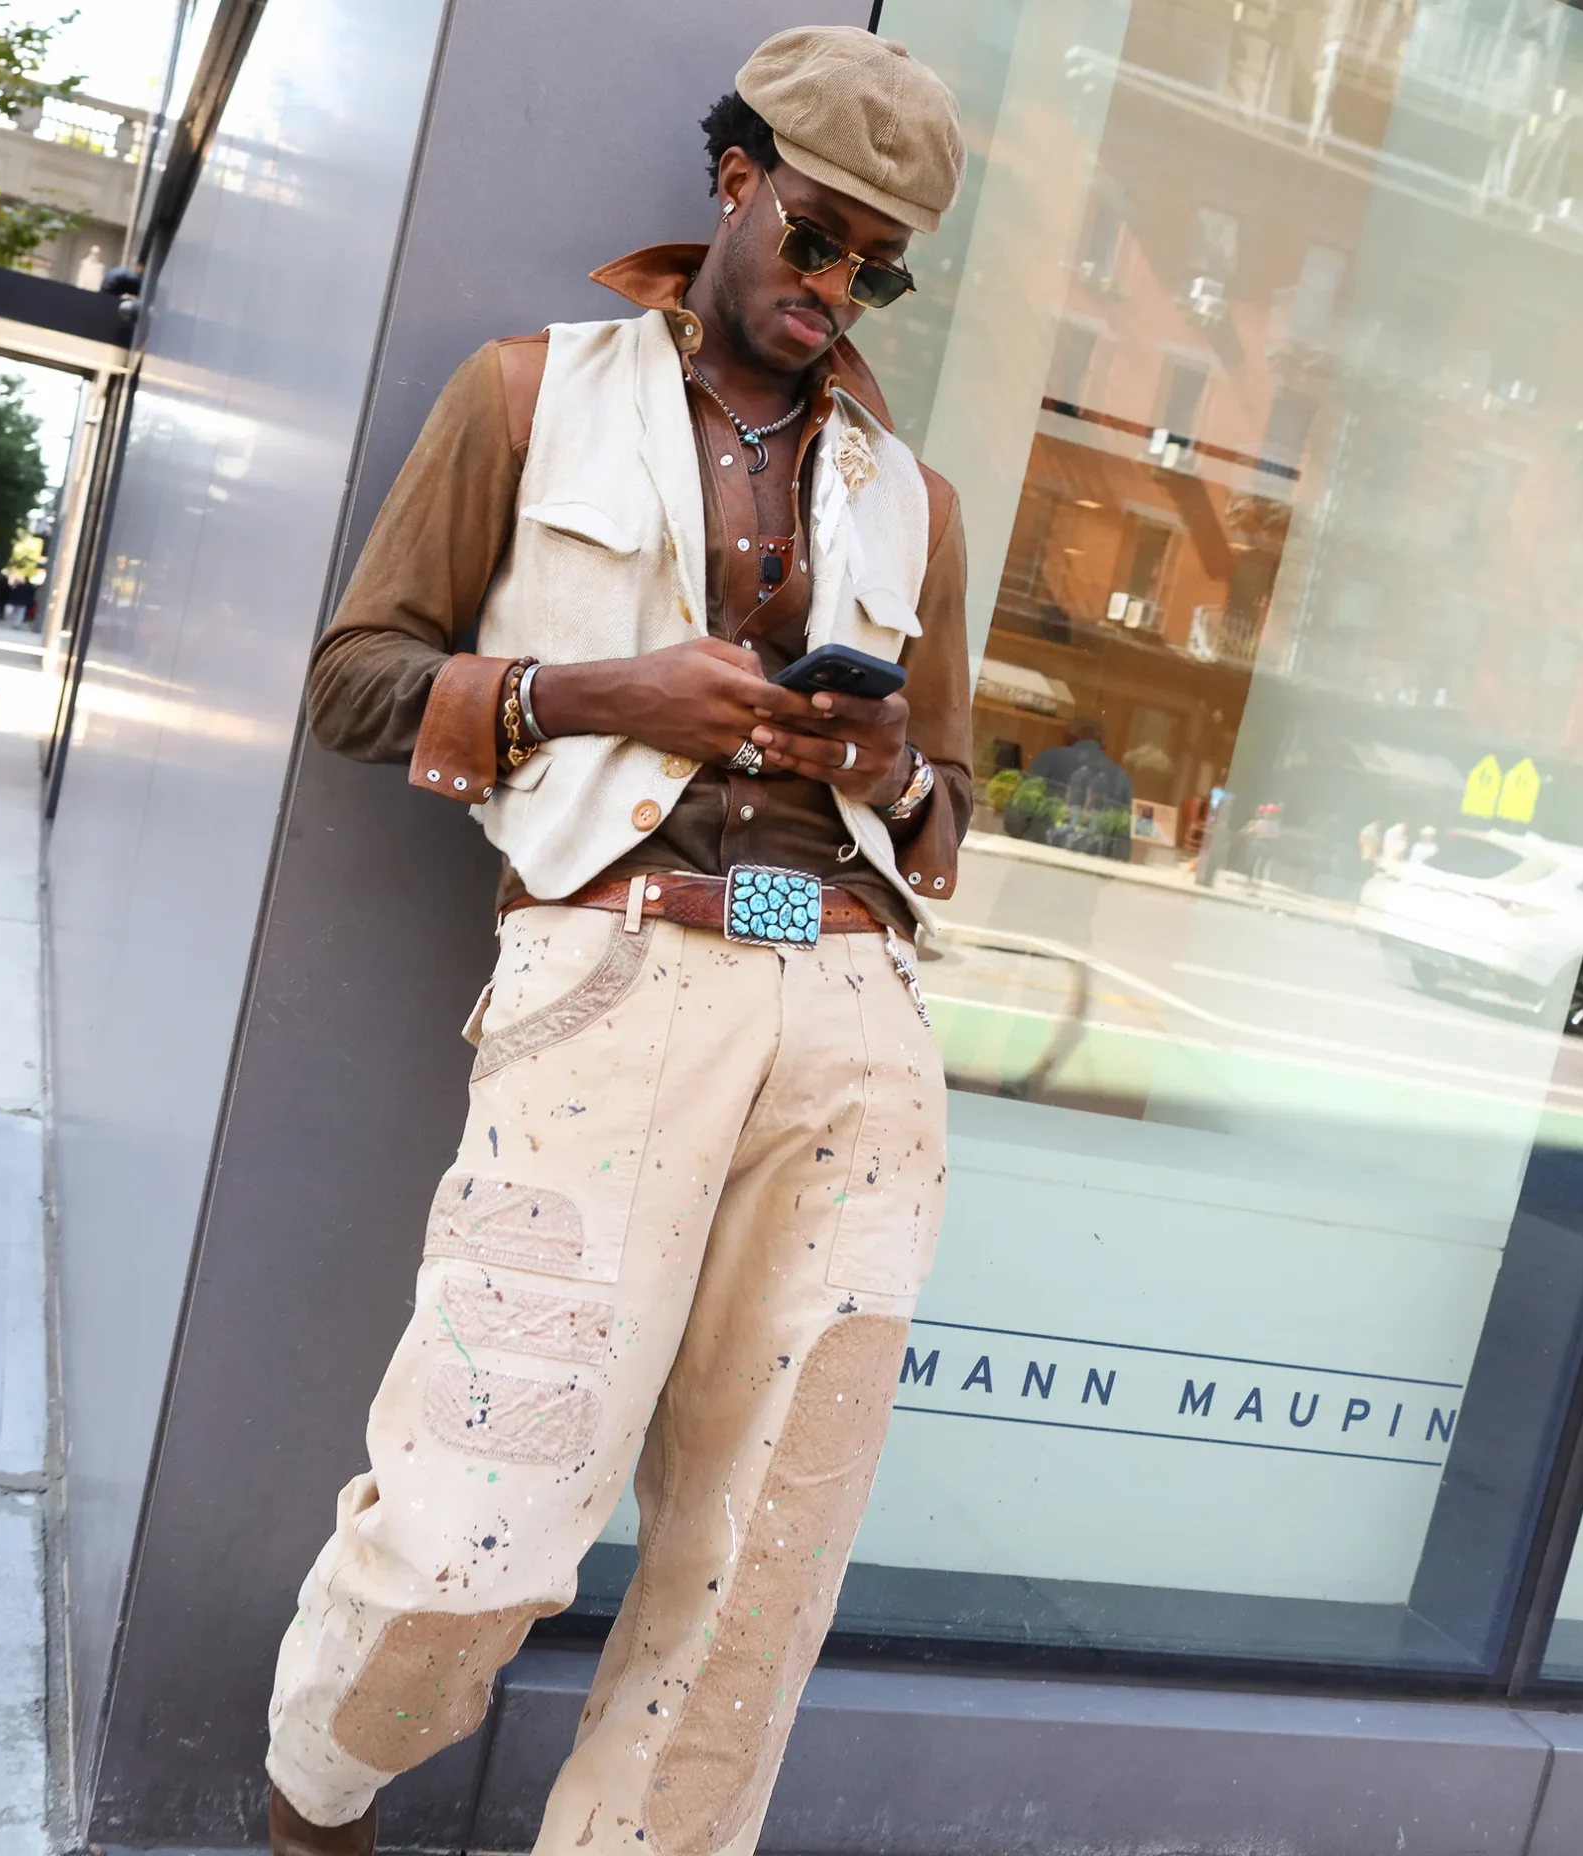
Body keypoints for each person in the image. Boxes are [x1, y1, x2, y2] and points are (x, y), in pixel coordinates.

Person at [267, 30, 970, 1856]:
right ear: (734, 181)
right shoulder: (528, 393)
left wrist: (893, 764)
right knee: (475, 1524)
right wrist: (600, 693)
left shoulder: (917, 502)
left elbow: (949, 819)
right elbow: (354, 683)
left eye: (880, 267)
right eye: (817, 237)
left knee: (761, 1570)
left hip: (855, 1018)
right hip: (613, 980)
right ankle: (314, 1812)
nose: (840, 289)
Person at [1026, 714, 1134, 859]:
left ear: (1068, 738)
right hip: (1092, 864)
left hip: (1042, 856)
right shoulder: (1122, 777)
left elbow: (1018, 815)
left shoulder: (1048, 757)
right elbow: (1122, 841)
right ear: (1103, 746)